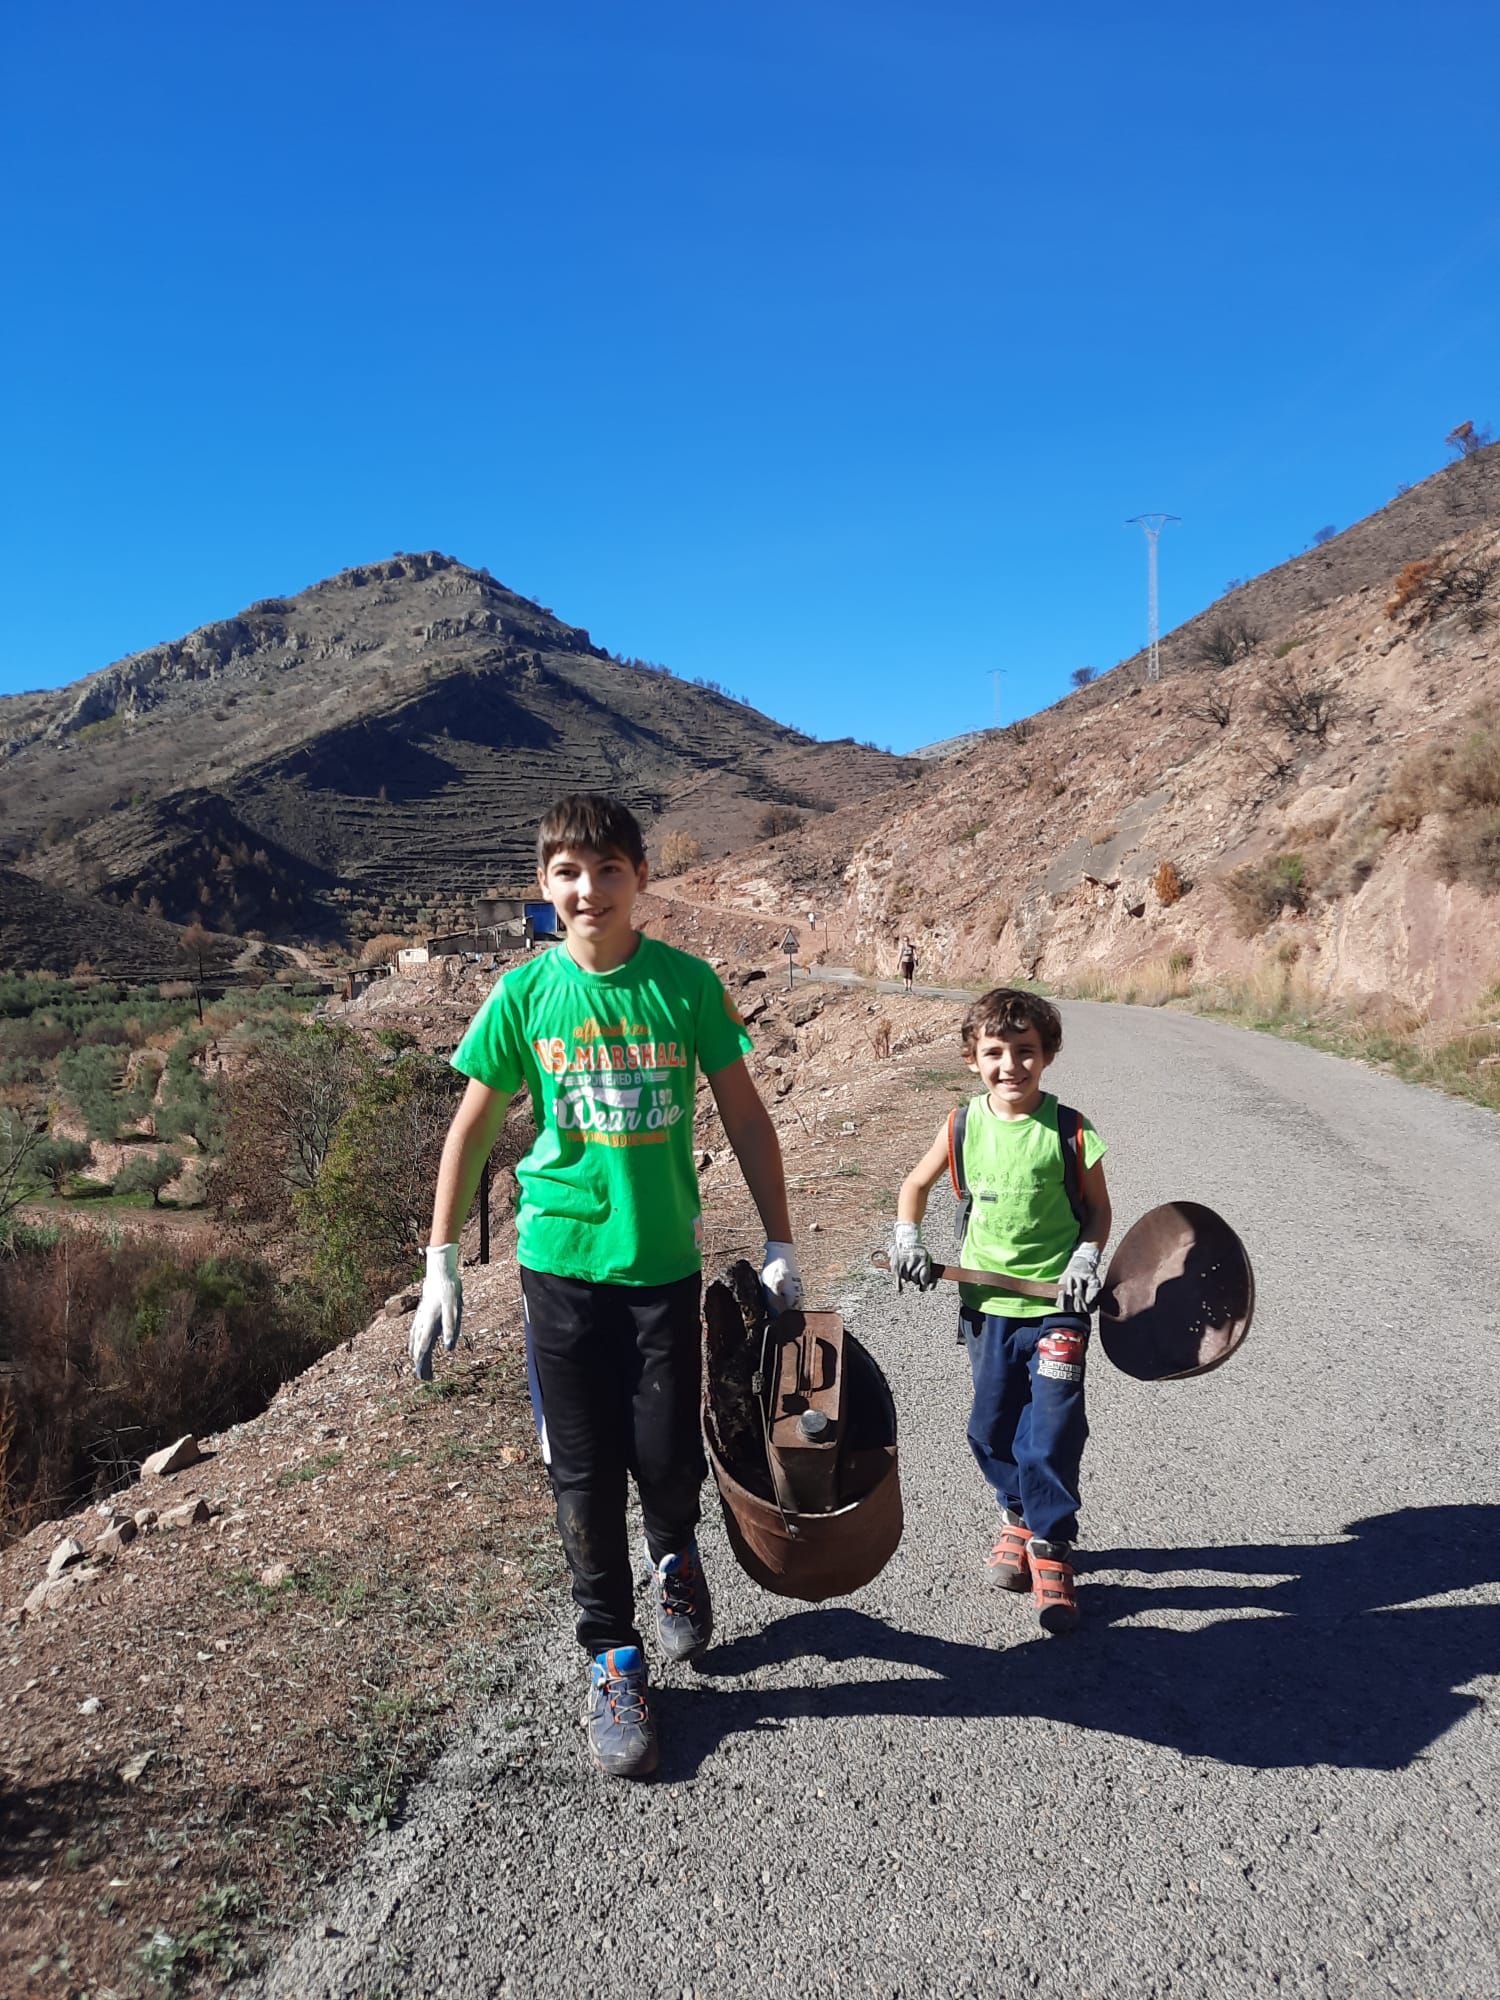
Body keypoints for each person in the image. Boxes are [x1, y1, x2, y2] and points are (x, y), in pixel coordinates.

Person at [407, 794, 801, 1778]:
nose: (589, 888)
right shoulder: (525, 995)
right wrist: (441, 1260)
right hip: (561, 1271)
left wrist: (782, 1236)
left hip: (662, 1264)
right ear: (545, 885)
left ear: (640, 878)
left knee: (670, 1454)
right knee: (581, 1470)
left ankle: (676, 1558)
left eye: (608, 868)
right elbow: (470, 1128)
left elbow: (747, 1120)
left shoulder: (685, 986)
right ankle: (612, 1655)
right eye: (568, 872)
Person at [891, 988, 1110, 1633]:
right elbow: (915, 1186)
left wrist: (1083, 1263)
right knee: (990, 1427)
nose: (1010, 1065)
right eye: (994, 1052)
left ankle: (1050, 1547)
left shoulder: (1071, 1130)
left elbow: (1097, 1210)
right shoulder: (963, 1125)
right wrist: (909, 1237)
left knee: (1052, 1431)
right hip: (986, 1307)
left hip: (1057, 1308)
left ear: (1048, 1056)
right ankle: (1016, 1510)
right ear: (971, 1059)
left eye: (1025, 1052)